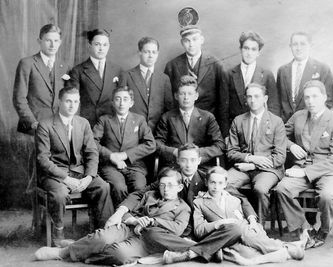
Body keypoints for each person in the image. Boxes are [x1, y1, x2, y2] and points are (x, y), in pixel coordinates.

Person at [34, 167, 191, 266]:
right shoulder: (150, 195)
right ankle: (62, 253)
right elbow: (130, 211)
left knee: (119, 255)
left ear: (180, 187)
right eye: (162, 185)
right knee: (102, 238)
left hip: (146, 241)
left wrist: (152, 221)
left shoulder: (183, 208)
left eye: (170, 185)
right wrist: (133, 219)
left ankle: (80, 250)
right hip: (129, 227)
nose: (166, 189)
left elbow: (177, 230)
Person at [158, 166, 306, 264]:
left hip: (242, 235)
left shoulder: (234, 199)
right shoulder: (199, 202)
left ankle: (286, 248)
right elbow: (199, 230)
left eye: (220, 183)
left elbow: (245, 220)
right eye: (212, 183)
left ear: (225, 183)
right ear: (206, 182)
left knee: (250, 253)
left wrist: (253, 222)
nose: (216, 187)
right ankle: (289, 247)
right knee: (236, 230)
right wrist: (218, 224)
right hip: (222, 235)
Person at [122, 143, 257, 237]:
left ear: (199, 160)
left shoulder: (208, 178)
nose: (188, 165)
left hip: (203, 228)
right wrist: (121, 211)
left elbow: (241, 198)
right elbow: (140, 194)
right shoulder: (170, 179)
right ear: (178, 161)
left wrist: (252, 219)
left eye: (192, 160)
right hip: (178, 228)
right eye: (184, 160)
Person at [275, 80, 333, 248]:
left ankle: (322, 231)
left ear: (324, 97)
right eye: (307, 97)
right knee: (282, 188)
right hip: (303, 166)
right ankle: (304, 229)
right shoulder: (299, 116)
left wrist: (305, 172)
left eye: (315, 96)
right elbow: (280, 136)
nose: (310, 101)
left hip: (331, 170)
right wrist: (291, 145)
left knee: (327, 196)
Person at [35, 87, 114, 243]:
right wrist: (65, 178)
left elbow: (92, 152)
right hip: (55, 175)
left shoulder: (83, 123)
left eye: (76, 101)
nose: (72, 106)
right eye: (68, 101)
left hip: (79, 172)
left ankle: (104, 233)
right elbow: (43, 160)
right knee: (60, 194)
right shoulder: (45, 125)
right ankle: (58, 234)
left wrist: (89, 177)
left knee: (103, 187)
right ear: (60, 102)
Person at [227, 83, 286, 221]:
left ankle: (260, 228)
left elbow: (280, 157)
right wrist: (250, 158)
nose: (253, 100)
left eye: (257, 96)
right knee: (223, 183)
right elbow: (230, 151)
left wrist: (254, 165)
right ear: (245, 99)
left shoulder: (276, 122)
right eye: (249, 97)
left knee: (260, 189)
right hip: (243, 168)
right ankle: (245, 215)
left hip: (269, 169)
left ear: (265, 98)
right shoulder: (239, 120)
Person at [92, 86, 156, 207]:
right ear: (113, 102)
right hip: (111, 166)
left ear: (131, 103)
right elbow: (92, 142)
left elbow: (151, 144)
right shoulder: (104, 120)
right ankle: (120, 220)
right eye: (118, 99)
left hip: (134, 165)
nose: (121, 103)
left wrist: (125, 155)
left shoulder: (139, 120)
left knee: (140, 187)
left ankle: (134, 218)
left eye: (125, 99)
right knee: (119, 187)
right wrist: (111, 156)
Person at [164, 25, 229, 137]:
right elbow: (168, 102)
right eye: (187, 41)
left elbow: (223, 102)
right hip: (180, 126)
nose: (191, 44)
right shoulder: (172, 66)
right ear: (181, 42)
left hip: (208, 126)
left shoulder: (216, 65)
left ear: (202, 40)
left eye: (195, 39)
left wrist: (224, 133)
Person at [155, 75, 225, 170]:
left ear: (196, 96)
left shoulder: (207, 117)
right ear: (176, 96)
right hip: (175, 167)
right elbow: (157, 144)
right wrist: (175, 152)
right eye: (182, 93)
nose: (186, 97)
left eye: (190, 94)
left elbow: (219, 145)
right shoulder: (167, 117)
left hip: (200, 167)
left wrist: (197, 153)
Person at [13, 24, 69, 135]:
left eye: (56, 41)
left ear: (60, 42)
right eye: (48, 40)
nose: (53, 45)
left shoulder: (65, 66)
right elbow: (19, 98)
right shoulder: (27, 63)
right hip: (34, 128)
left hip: (58, 128)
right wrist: (32, 122)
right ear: (39, 41)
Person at [274, 32, 333, 123]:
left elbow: (328, 100)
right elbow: (277, 101)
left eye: (303, 44)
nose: (298, 48)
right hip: (285, 124)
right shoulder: (282, 71)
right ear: (290, 46)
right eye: (295, 44)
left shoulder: (322, 69)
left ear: (310, 45)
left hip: (311, 124)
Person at [68, 29, 123, 127]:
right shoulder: (78, 70)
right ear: (90, 46)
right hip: (88, 124)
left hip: (111, 123)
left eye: (105, 45)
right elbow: (73, 100)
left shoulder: (117, 70)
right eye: (97, 44)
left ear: (108, 46)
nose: (101, 48)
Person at [119, 37, 174, 133]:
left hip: (157, 132)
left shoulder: (164, 78)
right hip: (132, 131)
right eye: (146, 52)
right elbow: (121, 106)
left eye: (154, 52)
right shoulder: (126, 76)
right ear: (139, 52)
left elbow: (169, 109)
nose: (150, 56)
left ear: (157, 54)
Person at [225, 31, 279, 124]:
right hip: (235, 128)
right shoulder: (229, 74)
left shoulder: (267, 74)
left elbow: (274, 106)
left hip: (259, 127)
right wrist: (226, 134)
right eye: (246, 48)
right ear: (240, 49)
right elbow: (223, 108)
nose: (249, 53)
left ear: (258, 53)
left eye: (253, 49)